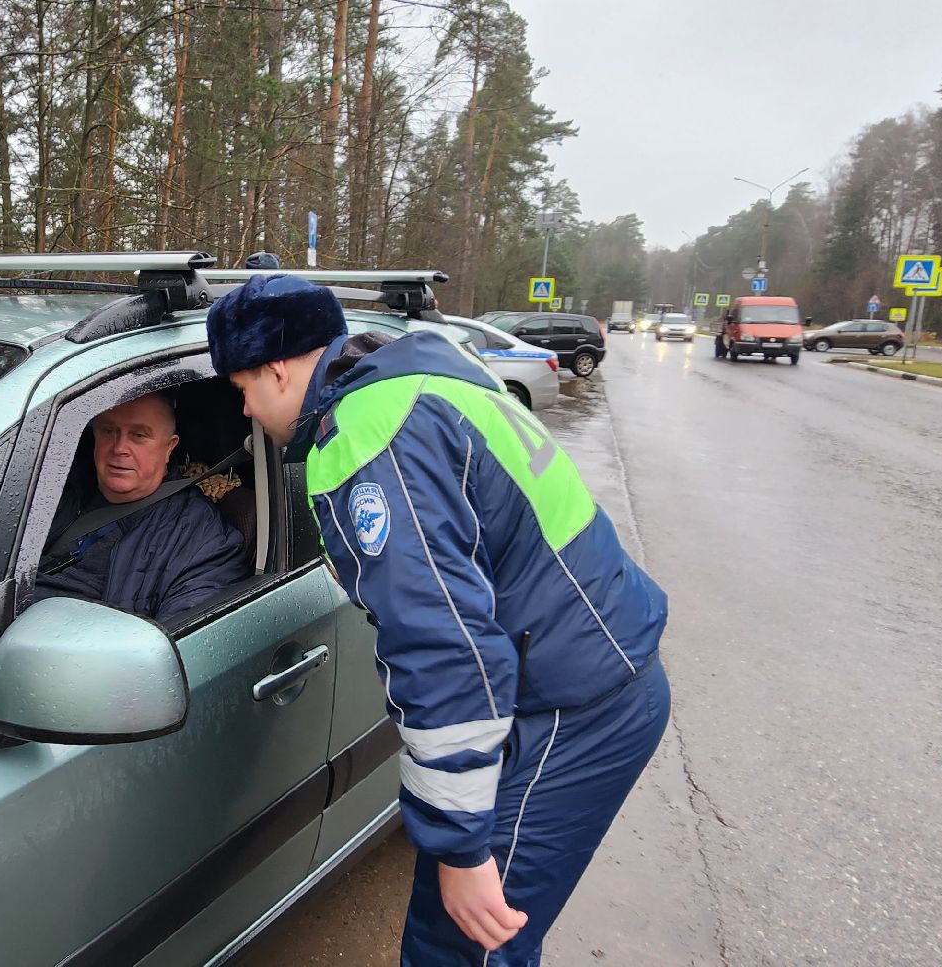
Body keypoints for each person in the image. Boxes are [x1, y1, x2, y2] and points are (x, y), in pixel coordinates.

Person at [206, 274, 670, 966]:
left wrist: (460, 845)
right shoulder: (417, 376)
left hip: (569, 712)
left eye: (241, 388)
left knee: (461, 949)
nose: (243, 409)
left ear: (276, 367)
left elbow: (448, 653)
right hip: (594, 664)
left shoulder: (368, 443)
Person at [33, 393, 247, 626]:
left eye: (139, 435)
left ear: (169, 447)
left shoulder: (200, 541)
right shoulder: (51, 488)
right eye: (108, 431)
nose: (120, 448)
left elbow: (174, 646)